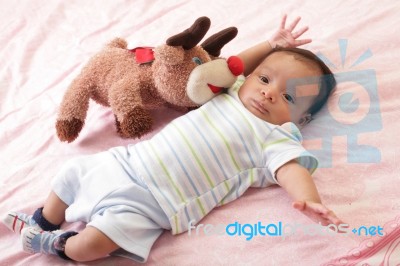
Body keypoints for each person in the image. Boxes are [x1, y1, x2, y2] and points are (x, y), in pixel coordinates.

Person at [2, 15, 343, 263]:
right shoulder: (231, 91)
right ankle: (43, 219)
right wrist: (272, 44)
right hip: (126, 162)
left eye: (290, 98)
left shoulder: (277, 137)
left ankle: (55, 243)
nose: (270, 94)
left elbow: (292, 170)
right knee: (70, 174)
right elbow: (237, 65)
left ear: (303, 120)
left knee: (89, 248)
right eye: (266, 79)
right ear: (251, 77)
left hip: (157, 204)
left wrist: (309, 199)